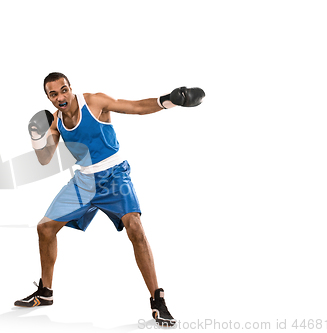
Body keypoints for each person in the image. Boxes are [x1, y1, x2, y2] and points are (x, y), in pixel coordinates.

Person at [14, 72, 205, 326]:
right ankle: (45, 293)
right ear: (48, 98)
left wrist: (169, 100)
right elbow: (44, 159)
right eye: (53, 94)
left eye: (63, 90)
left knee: (135, 227)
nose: (61, 97)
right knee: (45, 228)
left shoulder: (94, 102)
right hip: (84, 181)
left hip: (114, 175)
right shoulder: (56, 122)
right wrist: (37, 138)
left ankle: (157, 300)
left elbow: (135, 107)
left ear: (70, 88)